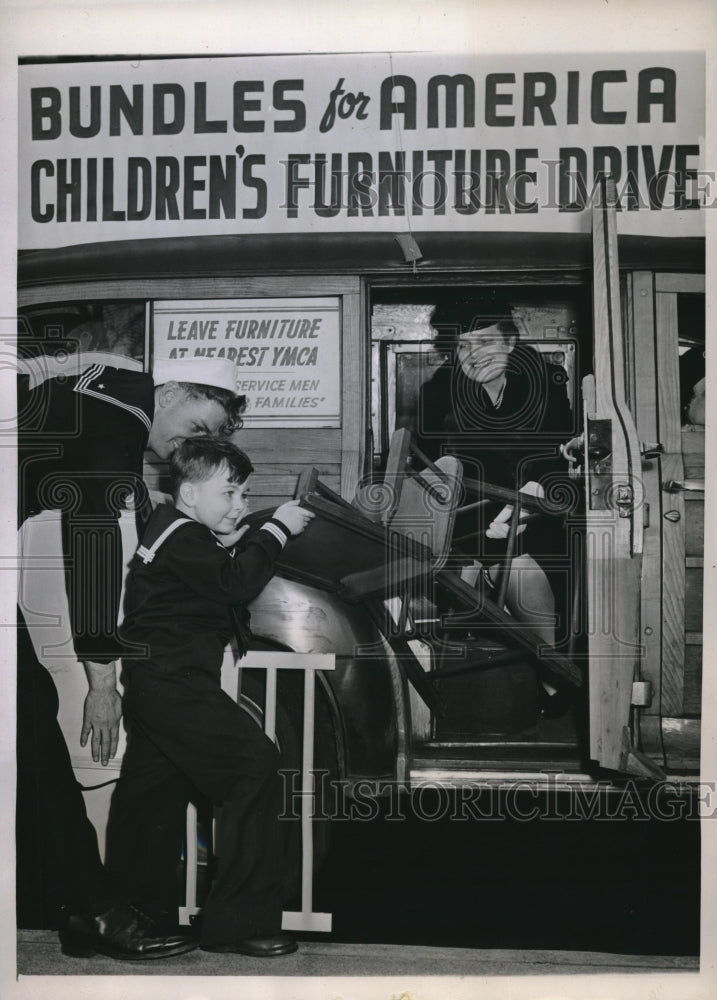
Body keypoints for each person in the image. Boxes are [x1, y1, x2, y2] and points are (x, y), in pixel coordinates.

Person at [17, 353, 246, 959]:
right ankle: (87, 908)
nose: (189, 447)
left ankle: (78, 906)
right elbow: (88, 544)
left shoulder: (96, 394)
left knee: (28, 721)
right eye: (198, 428)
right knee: (30, 727)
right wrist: (101, 680)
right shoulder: (116, 411)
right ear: (168, 391)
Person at [99, 437, 313, 958]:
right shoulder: (184, 535)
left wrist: (240, 536)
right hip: (174, 683)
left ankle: (124, 915)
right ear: (190, 494)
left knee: (150, 797)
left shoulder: (175, 530)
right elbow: (234, 583)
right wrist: (276, 529)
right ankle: (237, 923)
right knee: (255, 762)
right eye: (231, 492)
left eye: (246, 494)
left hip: (155, 683)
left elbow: (211, 575)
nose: (240, 504)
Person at [413, 295, 576, 711]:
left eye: (484, 342)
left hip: (537, 516)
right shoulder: (439, 393)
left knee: (524, 568)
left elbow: (559, 456)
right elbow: (433, 469)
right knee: (466, 574)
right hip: (465, 521)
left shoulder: (547, 382)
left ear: (509, 343)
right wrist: (487, 520)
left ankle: (552, 678)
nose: (472, 355)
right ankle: (450, 698)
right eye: (464, 345)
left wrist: (535, 494)